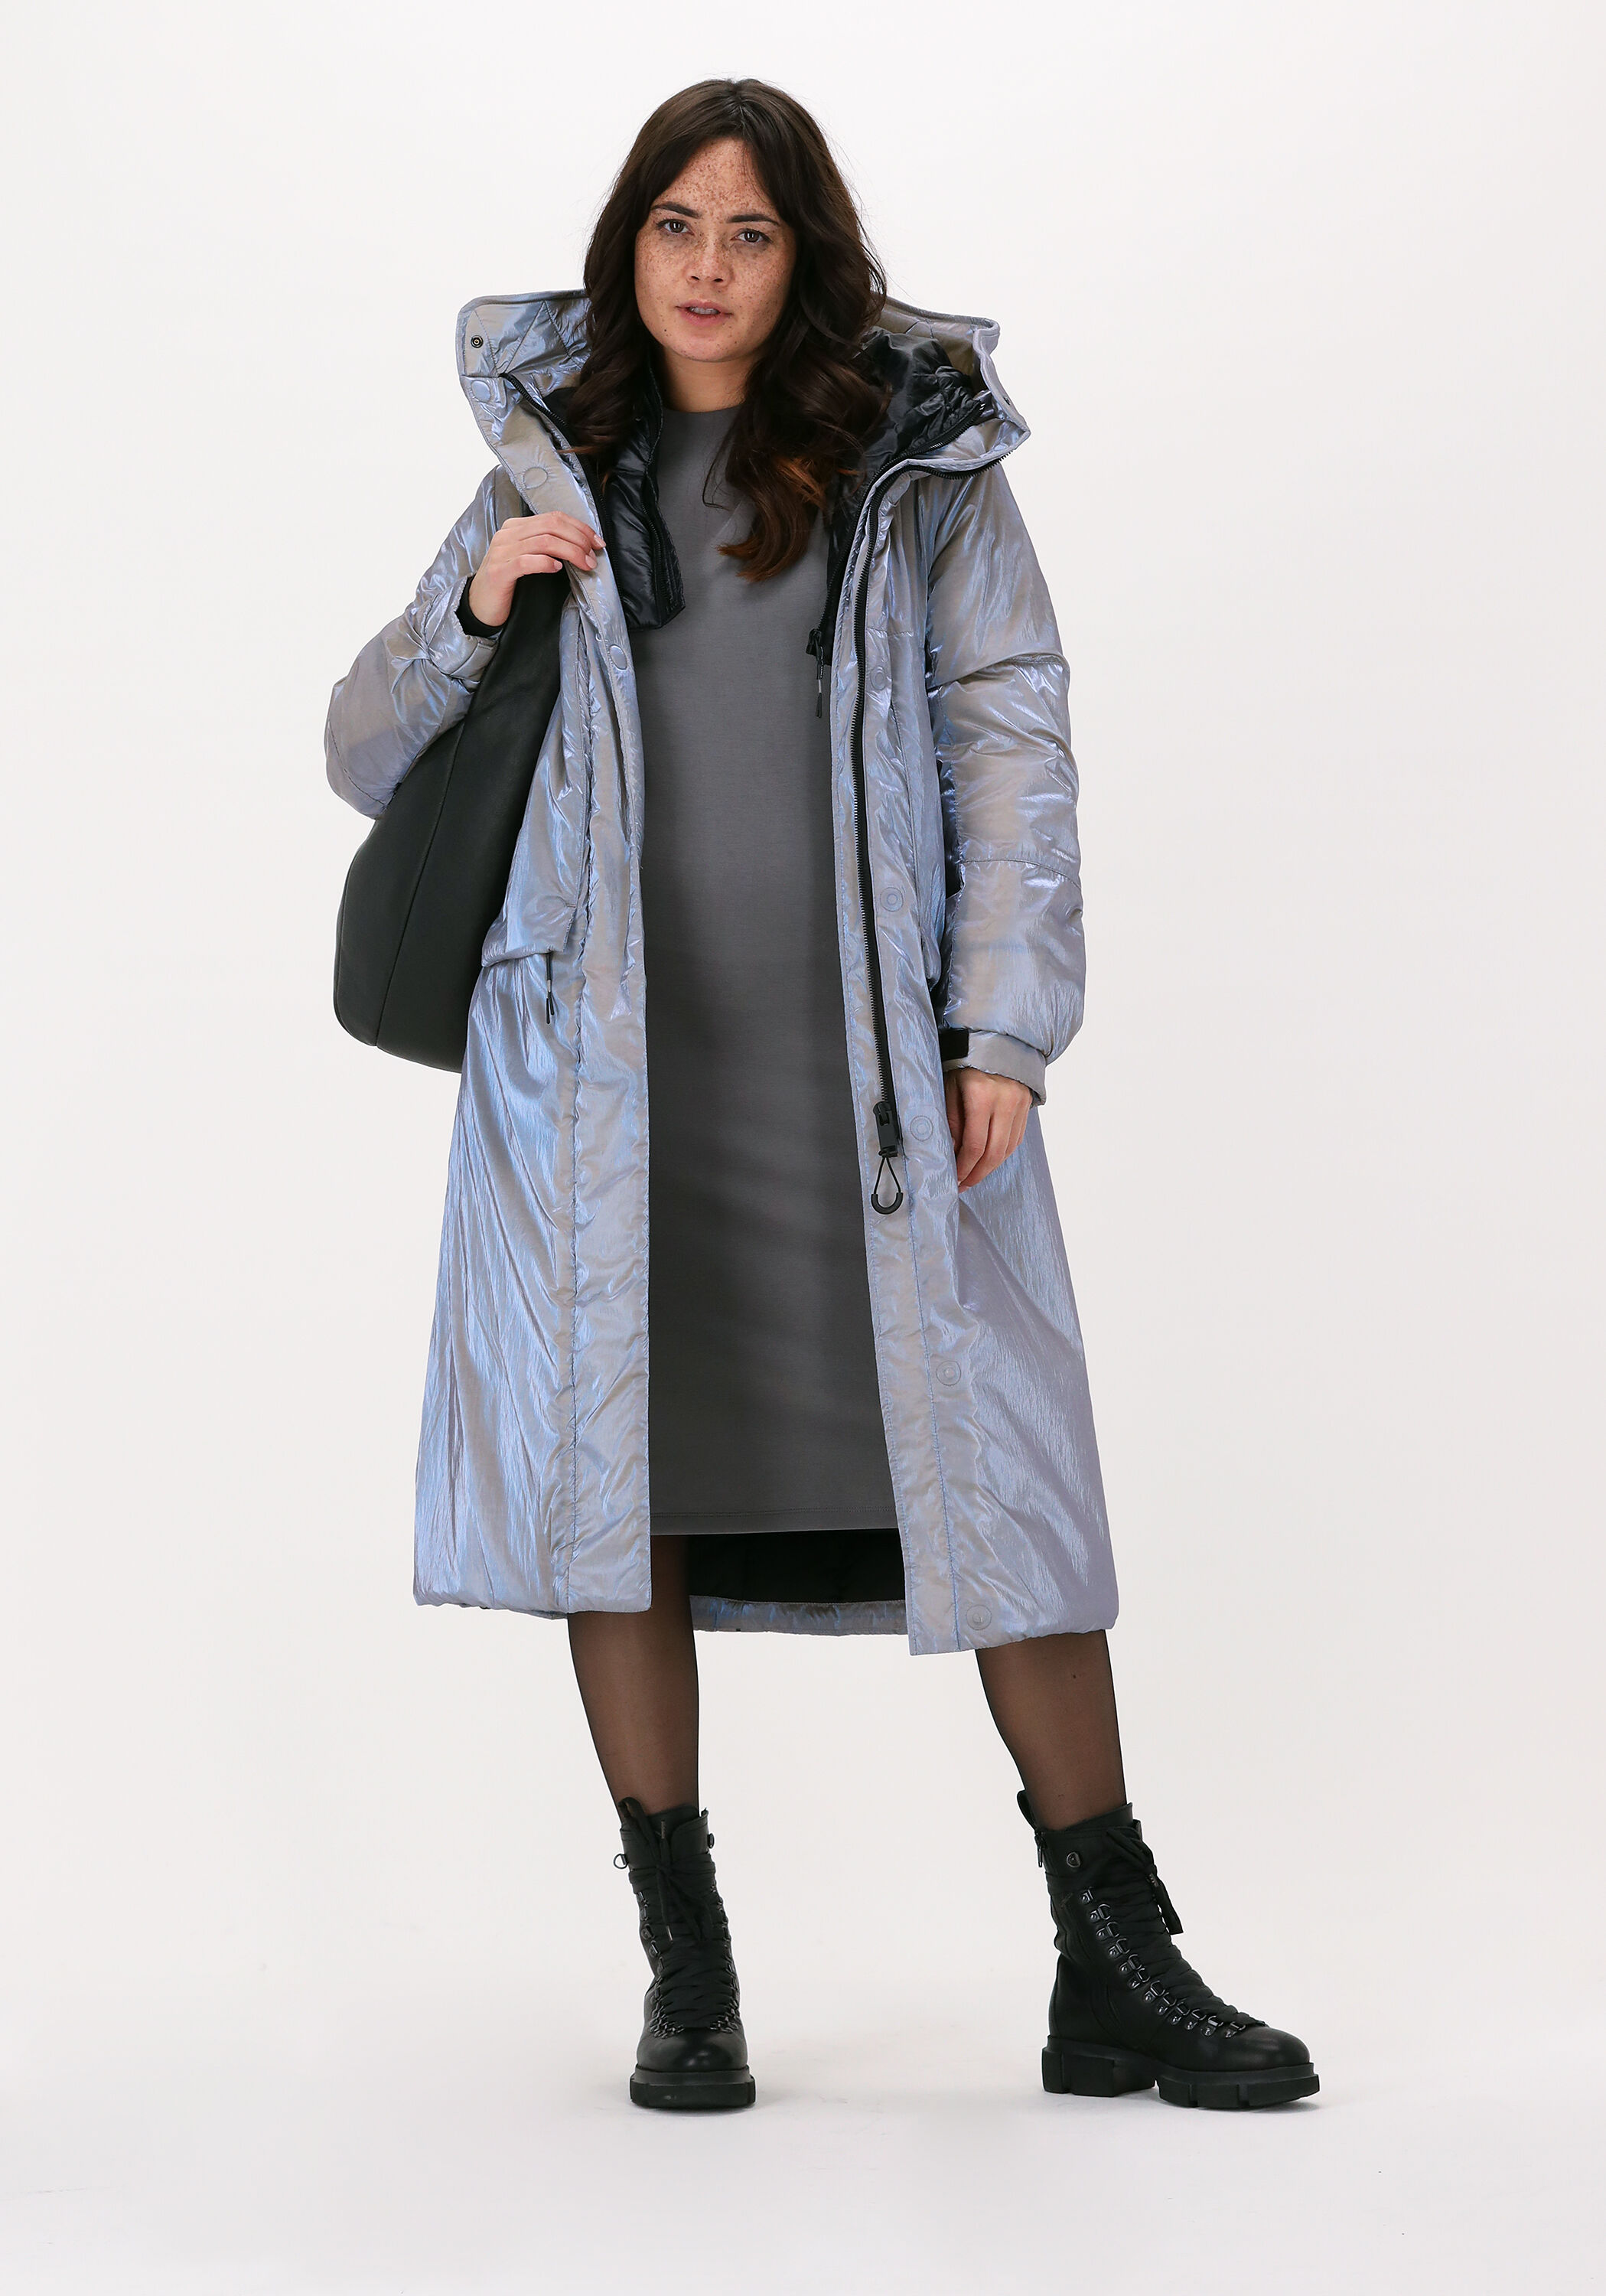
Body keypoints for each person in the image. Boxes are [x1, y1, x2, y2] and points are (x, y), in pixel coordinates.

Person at [325, 78, 1316, 2115]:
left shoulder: (914, 467)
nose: (706, 267)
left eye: (750, 231)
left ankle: (1115, 1963)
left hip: (864, 1084)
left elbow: (1013, 740)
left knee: (1007, 1490)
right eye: (673, 225)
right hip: (607, 1093)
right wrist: (473, 604)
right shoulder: (546, 470)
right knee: (622, 1495)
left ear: (807, 258)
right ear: (627, 246)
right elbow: (359, 751)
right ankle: (686, 1976)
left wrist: (1001, 1027)